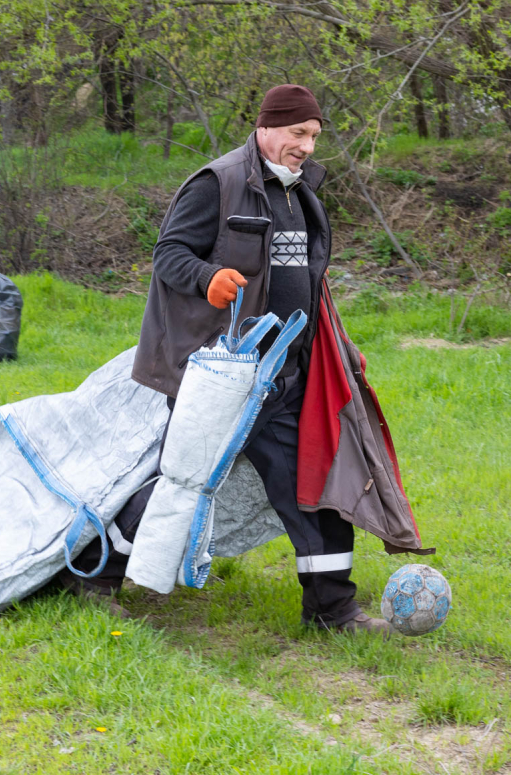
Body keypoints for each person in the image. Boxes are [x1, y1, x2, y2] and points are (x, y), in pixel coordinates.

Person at [63, 85, 427, 635]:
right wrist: (207, 278)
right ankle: (93, 575)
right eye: (298, 133)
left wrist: (336, 348)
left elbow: (308, 284)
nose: (307, 146)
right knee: (181, 484)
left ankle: (332, 612)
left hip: (286, 376)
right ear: (265, 127)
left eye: (314, 136)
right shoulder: (218, 182)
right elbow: (168, 254)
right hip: (224, 377)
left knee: (316, 483)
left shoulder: (301, 193)